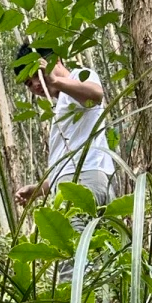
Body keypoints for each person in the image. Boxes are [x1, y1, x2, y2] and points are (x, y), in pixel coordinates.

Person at [13, 43, 115, 212]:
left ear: (55, 61)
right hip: (82, 181)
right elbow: (66, 164)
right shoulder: (61, 103)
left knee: (77, 237)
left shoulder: (78, 77)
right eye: (29, 83)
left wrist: (55, 81)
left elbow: (95, 95)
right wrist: (37, 190)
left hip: (83, 182)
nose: (36, 85)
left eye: (37, 74)